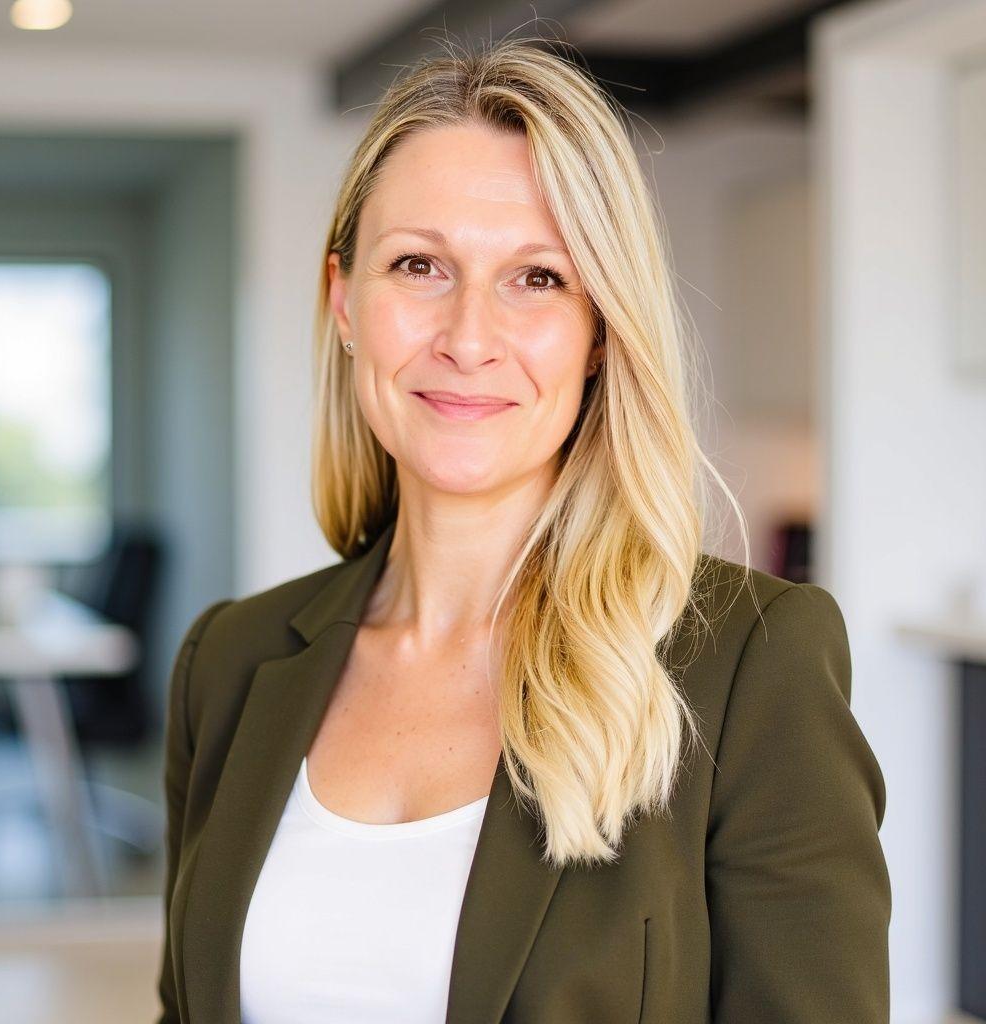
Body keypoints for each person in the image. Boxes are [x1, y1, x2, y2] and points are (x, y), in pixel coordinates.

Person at [155, 35, 891, 1024]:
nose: (466, 337)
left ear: (599, 331)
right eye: (419, 265)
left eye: (536, 278)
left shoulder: (749, 664)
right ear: (342, 300)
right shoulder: (229, 660)